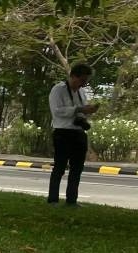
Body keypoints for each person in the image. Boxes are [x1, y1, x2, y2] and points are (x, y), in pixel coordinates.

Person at [47, 63, 99, 207]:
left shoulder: (81, 92)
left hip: (78, 132)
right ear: (73, 76)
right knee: (60, 167)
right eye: (82, 80)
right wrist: (77, 109)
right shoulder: (58, 90)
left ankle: (72, 200)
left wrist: (87, 111)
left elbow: (80, 110)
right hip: (63, 132)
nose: (84, 84)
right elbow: (57, 111)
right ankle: (53, 199)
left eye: (86, 81)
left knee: (77, 168)